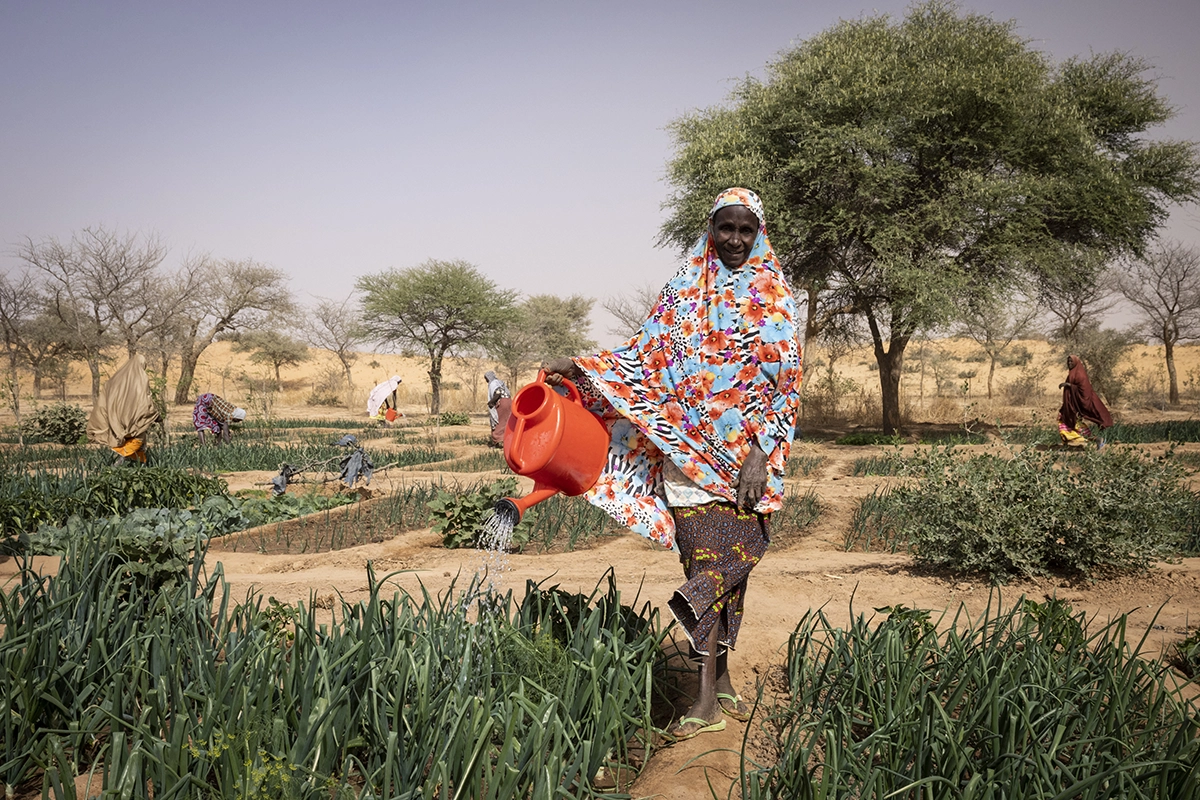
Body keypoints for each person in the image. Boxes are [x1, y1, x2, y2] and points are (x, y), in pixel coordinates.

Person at [543, 187, 802, 742]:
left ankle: (718, 679)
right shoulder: (683, 289)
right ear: (712, 228)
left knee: (741, 557)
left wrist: (760, 452)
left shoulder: (773, 295)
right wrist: (580, 367)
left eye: (745, 230)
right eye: (726, 228)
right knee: (705, 561)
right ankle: (708, 695)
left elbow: (786, 385)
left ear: (759, 234)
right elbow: (641, 354)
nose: (734, 239)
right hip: (684, 453)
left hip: (748, 460)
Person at [87, 353, 159, 463]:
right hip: (134, 418)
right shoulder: (141, 378)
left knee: (138, 444)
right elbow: (145, 399)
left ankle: (140, 466)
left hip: (116, 417)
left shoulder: (116, 379)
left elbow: (106, 398)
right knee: (137, 440)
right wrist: (154, 414)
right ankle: (118, 465)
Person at [1058, 353, 1112, 448]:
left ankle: (1095, 439)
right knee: (1065, 421)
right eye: (1068, 361)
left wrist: (1068, 385)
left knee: (1072, 423)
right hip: (1071, 404)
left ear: (1076, 362)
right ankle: (1067, 444)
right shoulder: (1072, 373)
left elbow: (1084, 392)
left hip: (1076, 405)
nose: (1069, 363)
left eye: (1071, 361)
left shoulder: (1080, 374)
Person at [484, 370, 511, 448]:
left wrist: (491, 402)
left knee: (497, 421)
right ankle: (507, 440)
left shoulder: (493, 383)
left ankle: (496, 441)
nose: (486, 380)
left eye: (486, 378)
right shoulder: (500, 382)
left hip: (502, 403)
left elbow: (498, 393)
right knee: (506, 422)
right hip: (509, 402)